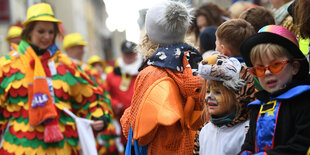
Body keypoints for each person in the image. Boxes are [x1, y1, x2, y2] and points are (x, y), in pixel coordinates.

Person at [0, 3, 110, 154]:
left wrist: (99, 117)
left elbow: (88, 96)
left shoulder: (65, 64)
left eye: (51, 32)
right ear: (29, 32)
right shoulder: (7, 66)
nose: (47, 37)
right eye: (41, 31)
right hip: (20, 147)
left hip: (62, 147)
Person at [120, 1, 205, 154]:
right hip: (196, 147)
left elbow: (139, 133)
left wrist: (127, 115)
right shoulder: (199, 64)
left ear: (149, 34)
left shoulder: (151, 73)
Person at [239, 25, 310, 154]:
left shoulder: (303, 101)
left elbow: (301, 145)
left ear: (294, 67)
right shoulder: (257, 106)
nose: (267, 73)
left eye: (276, 65)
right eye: (260, 69)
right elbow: (249, 143)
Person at [197, 53, 255, 155]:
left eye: (217, 92)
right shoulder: (204, 131)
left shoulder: (246, 131)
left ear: (236, 96)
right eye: (207, 91)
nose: (210, 96)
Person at [105, 40, 142, 148]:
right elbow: (106, 95)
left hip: (144, 120)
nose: (129, 57)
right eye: (127, 54)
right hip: (123, 123)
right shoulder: (111, 75)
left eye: (132, 53)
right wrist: (114, 104)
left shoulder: (145, 70)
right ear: (122, 55)